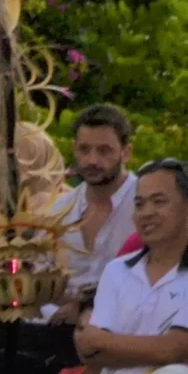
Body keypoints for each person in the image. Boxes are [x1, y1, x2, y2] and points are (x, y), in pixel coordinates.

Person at [69, 158, 188, 374]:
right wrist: (156, 349)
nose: (146, 213)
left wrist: (101, 340)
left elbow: (172, 350)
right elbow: (89, 353)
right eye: (139, 204)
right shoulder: (116, 271)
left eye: (159, 201)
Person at [53, 104, 138, 304]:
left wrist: (85, 306)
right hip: (54, 324)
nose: (92, 160)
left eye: (104, 151)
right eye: (84, 149)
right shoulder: (59, 211)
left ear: (126, 153)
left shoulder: (146, 204)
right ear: (74, 149)